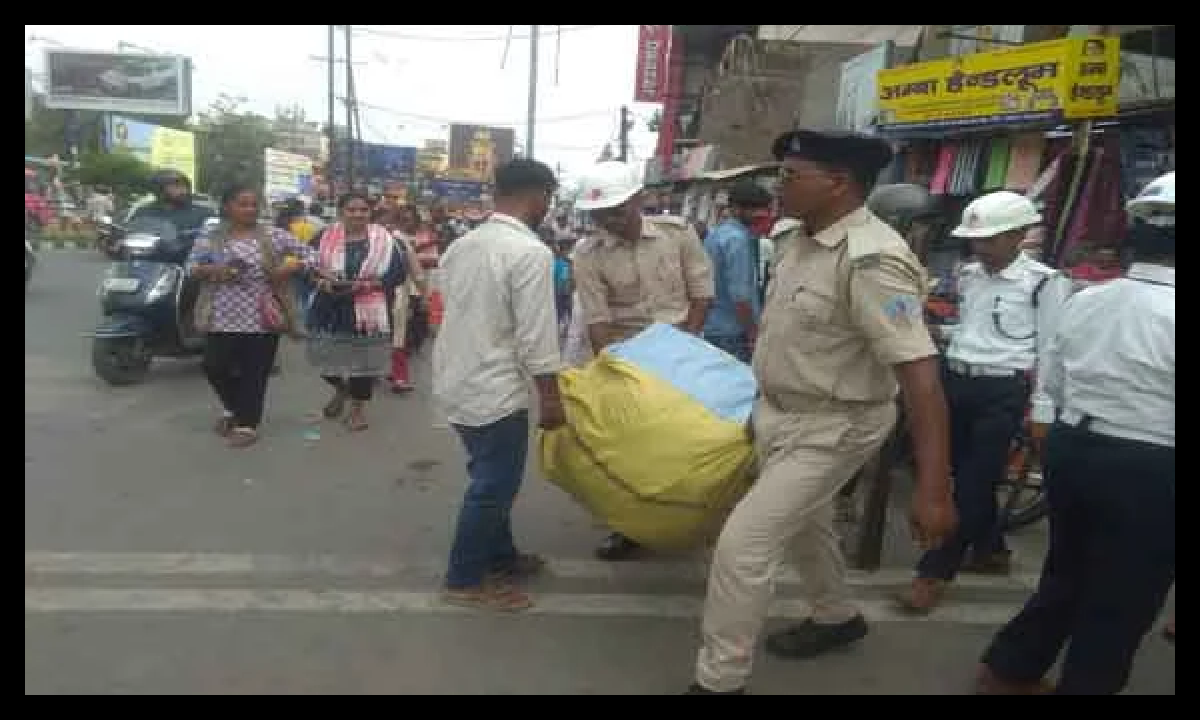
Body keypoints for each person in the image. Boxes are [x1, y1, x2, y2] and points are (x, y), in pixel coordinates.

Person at [687, 129, 957, 695]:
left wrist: (934, 490)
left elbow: (921, 377)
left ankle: (719, 681)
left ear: (838, 183)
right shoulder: (795, 239)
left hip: (837, 425)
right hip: (780, 412)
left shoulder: (874, 261)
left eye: (791, 176)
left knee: (742, 547)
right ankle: (836, 616)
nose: (778, 186)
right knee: (807, 524)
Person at [975, 171, 1175, 695]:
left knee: (1066, 572)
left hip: (1075, 446)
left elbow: (1056, 382)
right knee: (1124, 598)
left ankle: (1008, 671)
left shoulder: (1088, 299)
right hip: (1150, 464)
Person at [898, 191, 1073, 613]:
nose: (980, 247)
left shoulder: (1044, 283)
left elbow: (1051, 348)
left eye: (990, 239)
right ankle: (991, 548)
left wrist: (1043, 410)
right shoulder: (968, 275)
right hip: (956, 380)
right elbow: (966, 326)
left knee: (972, 486)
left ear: (1018, 235)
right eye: (975, 239)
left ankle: (933, 573)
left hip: (1002, 391)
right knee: (954, 474)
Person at [433, 159, 566, 612]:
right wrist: (551, 396)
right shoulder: (530, 253)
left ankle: (501, 555)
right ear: (539, 196)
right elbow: (536, 335)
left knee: (489, 476)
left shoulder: (462, 246)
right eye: (549, 198)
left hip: (458, 376)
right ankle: (464, 579)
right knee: (494, 486)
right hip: (494, 385)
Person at [571, 160, 715, 561]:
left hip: (681, 351)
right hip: (627, 359)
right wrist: (611, 372)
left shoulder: (678, 234)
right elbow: (597, 319)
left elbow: (701, 293)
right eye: (600, 214)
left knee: (687, 444)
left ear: (639, 200)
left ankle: (691, 518)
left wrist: (687, 346)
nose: (609, 221)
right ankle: (627, 527)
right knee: (629, 450)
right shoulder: (587, 253)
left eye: (616, 211)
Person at [187, 182, 314, 448]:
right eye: (242, 204)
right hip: (220, 314)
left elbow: (312, 256)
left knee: (254, 372)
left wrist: (290, 268)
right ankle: (234, 408)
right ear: (227, 207)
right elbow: (192, 267)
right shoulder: (211, 236)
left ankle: (247, 424)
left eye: (254, 204)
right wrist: (215, 271)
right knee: (214, 366)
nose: (250, 209)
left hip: (262, 316)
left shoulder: (274, 235)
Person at [306, 192, 407, 431]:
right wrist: (319, 281)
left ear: (370, 213)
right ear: (340, 212)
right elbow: (307, 266)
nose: (358, 214)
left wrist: (369, 285)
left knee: (363, 363)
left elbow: (398, 274)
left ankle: (357, 410)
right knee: (324, 359)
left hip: (368, 311)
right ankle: (341, 389)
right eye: (351, 209)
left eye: (363, 210)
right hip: (329, 307)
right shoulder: (323, 236)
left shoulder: (384, 239)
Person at [702, 180, 773, 363]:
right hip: (732, 332)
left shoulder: (716, 234)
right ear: (736, 209)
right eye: (754, 209)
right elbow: (741, 297)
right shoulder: (738, 240)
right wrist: (752, 333)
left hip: (713, 326)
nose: (761, 214)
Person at [381, 203, 428, 392]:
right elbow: (417, 273)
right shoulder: (400, 240)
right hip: (397, 295)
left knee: (374, 334)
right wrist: (425, 295)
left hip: (370, 295)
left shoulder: (371, 237)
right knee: (398, 336)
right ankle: (398, 377)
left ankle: (368, 373)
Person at [130, 170, 213, 232]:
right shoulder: (143, 213)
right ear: (159, 190)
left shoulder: (204, 214)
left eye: (185, 186)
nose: (183, 191)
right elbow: (131, 237)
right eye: (177, 186)